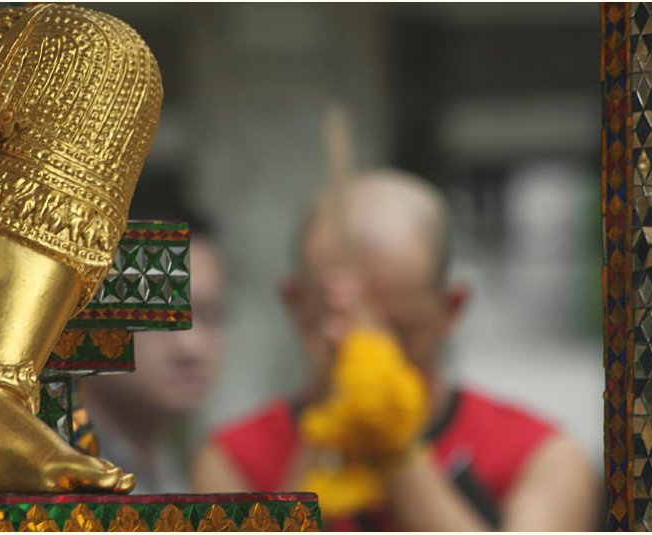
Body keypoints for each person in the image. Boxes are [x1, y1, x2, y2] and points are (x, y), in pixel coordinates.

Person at [192, 169, 601, 530]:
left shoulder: (541, 458)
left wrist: (390, 437)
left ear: (451, 309)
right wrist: (330, 424)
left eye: (401, 332)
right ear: (295, 306)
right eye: (341, 330)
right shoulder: (233, 461)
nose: (367, 347)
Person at [82, 219, 226, 493]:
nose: (191, 347)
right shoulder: (48, 482)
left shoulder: (177, 470)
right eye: (158, 315)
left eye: (209, 315)